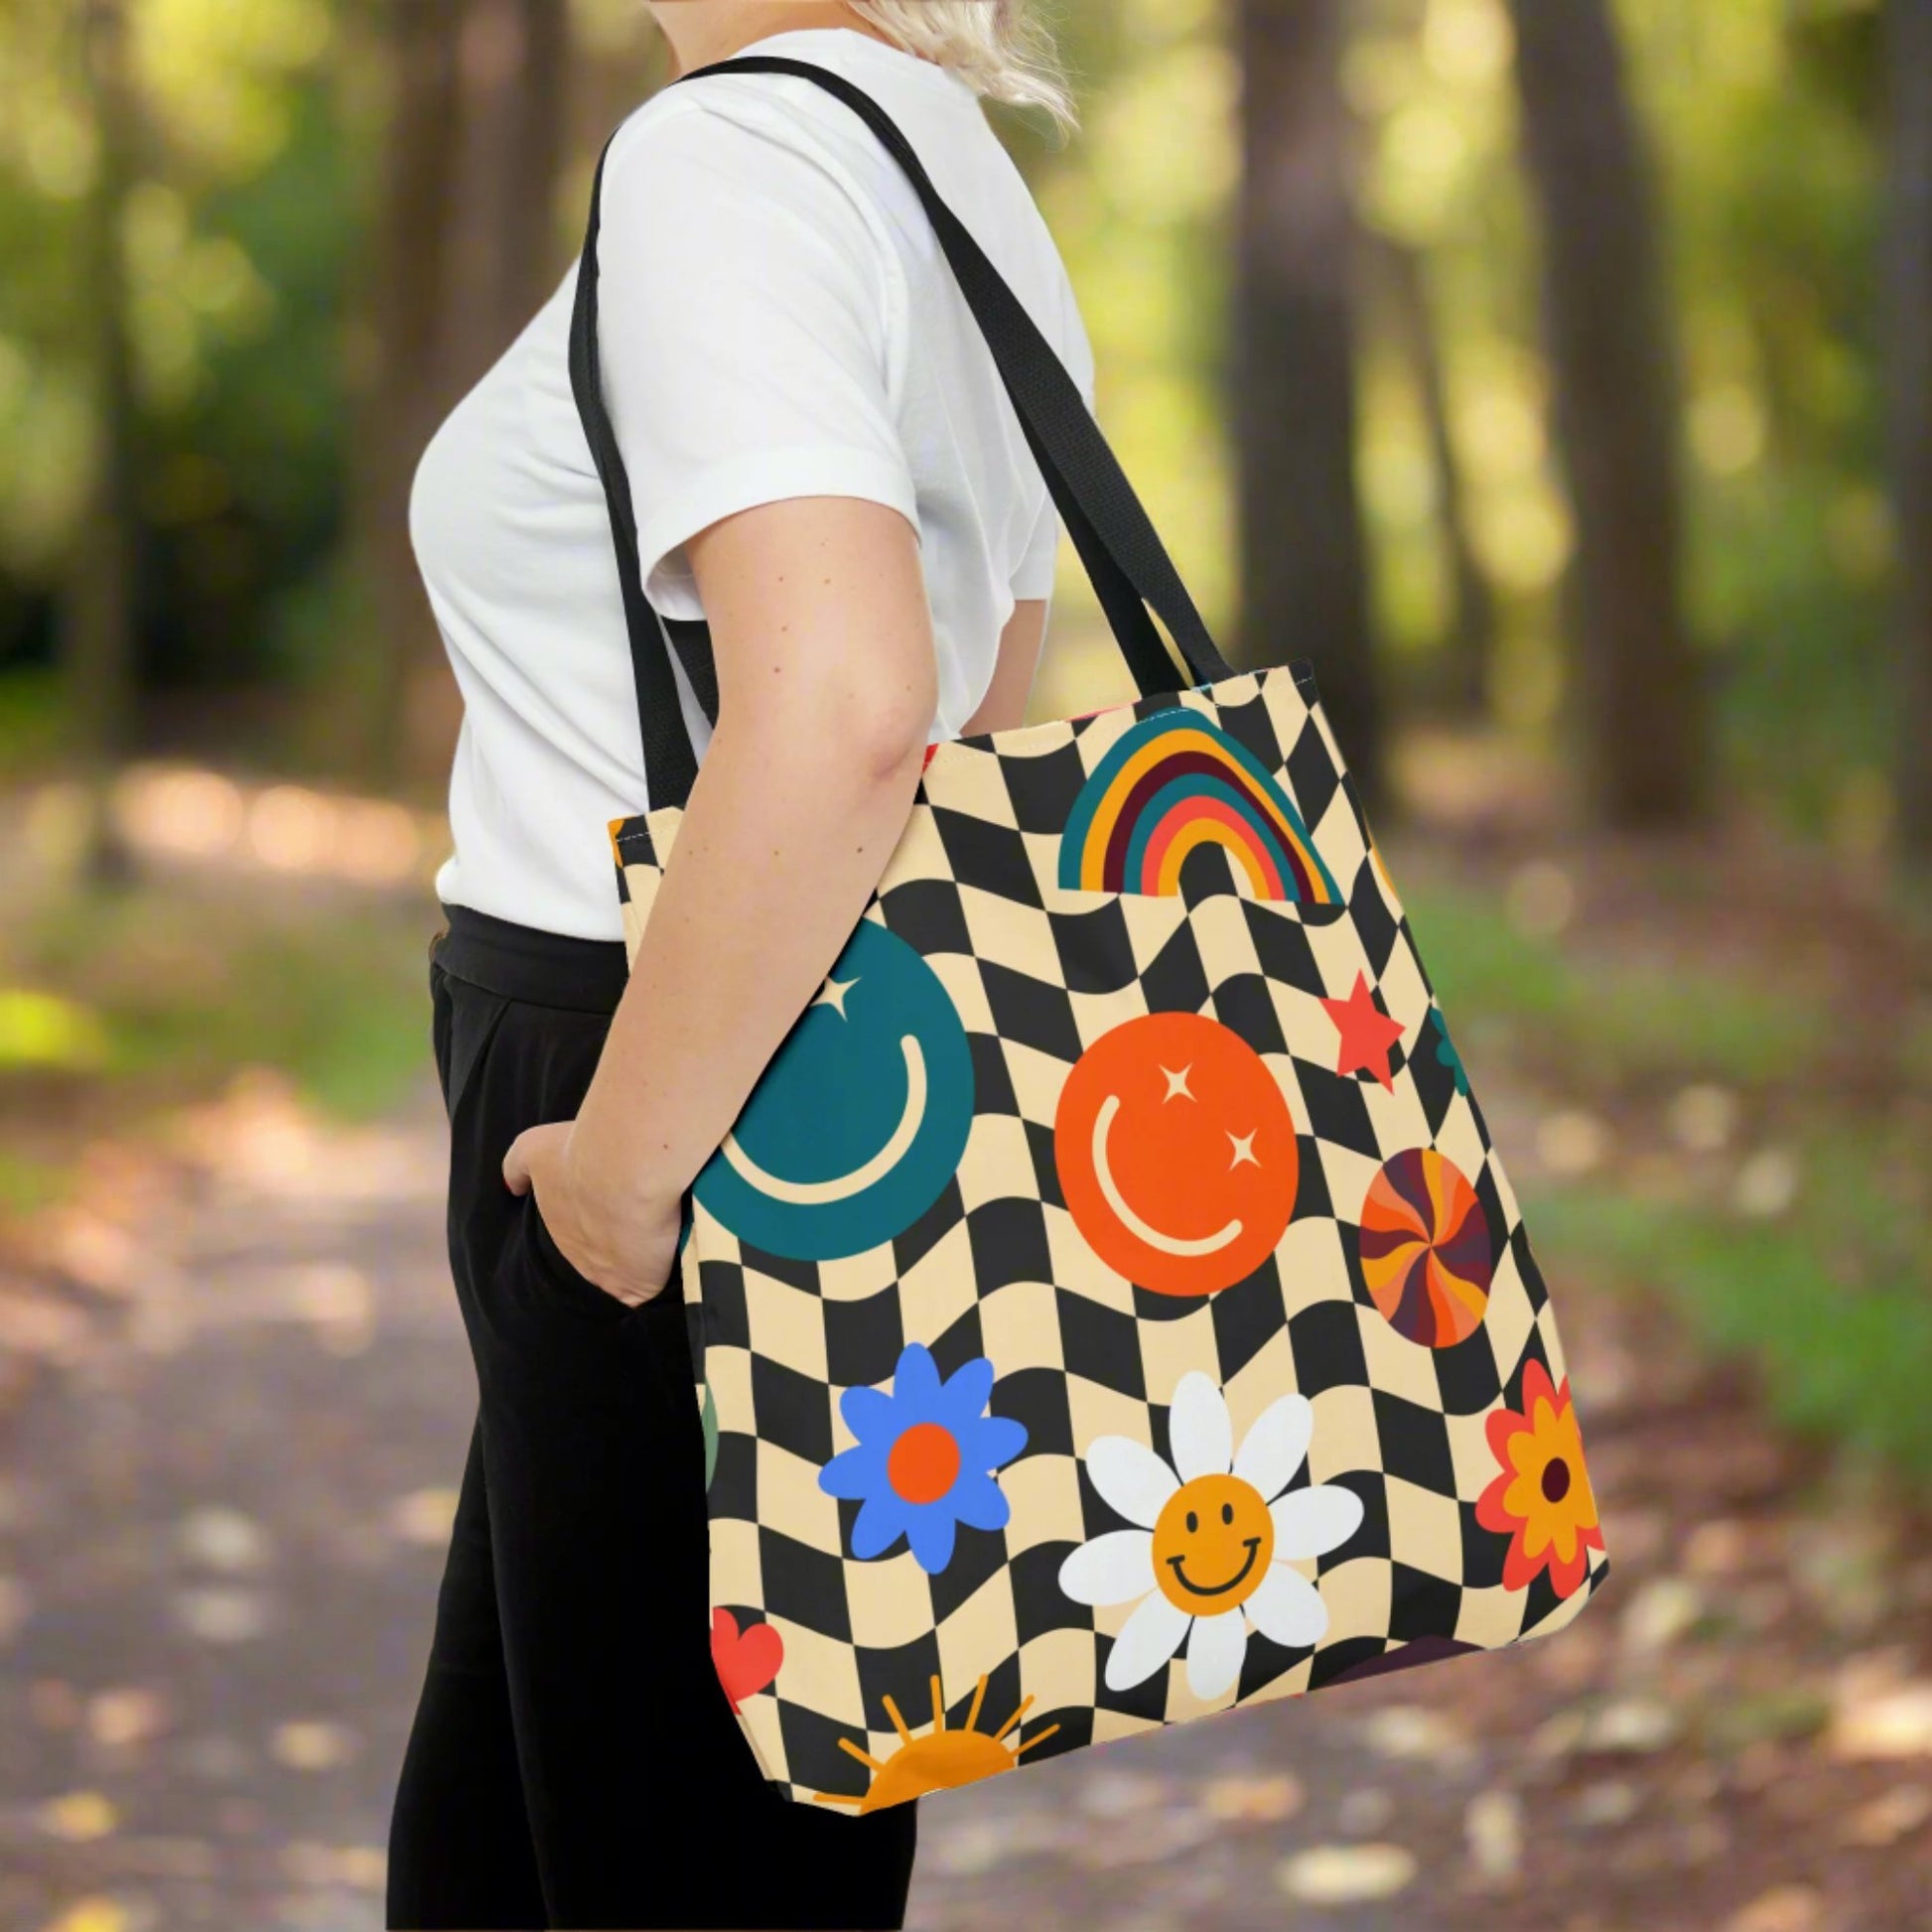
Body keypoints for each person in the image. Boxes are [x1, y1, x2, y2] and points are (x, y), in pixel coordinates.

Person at [387, 3, 1090, 1926]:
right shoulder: (950, 169)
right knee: (532, 1858)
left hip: (656, 1093)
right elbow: (979, 700)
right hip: (794, 1059)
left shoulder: (725, 163)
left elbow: (860, 704)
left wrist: (617, 1188)